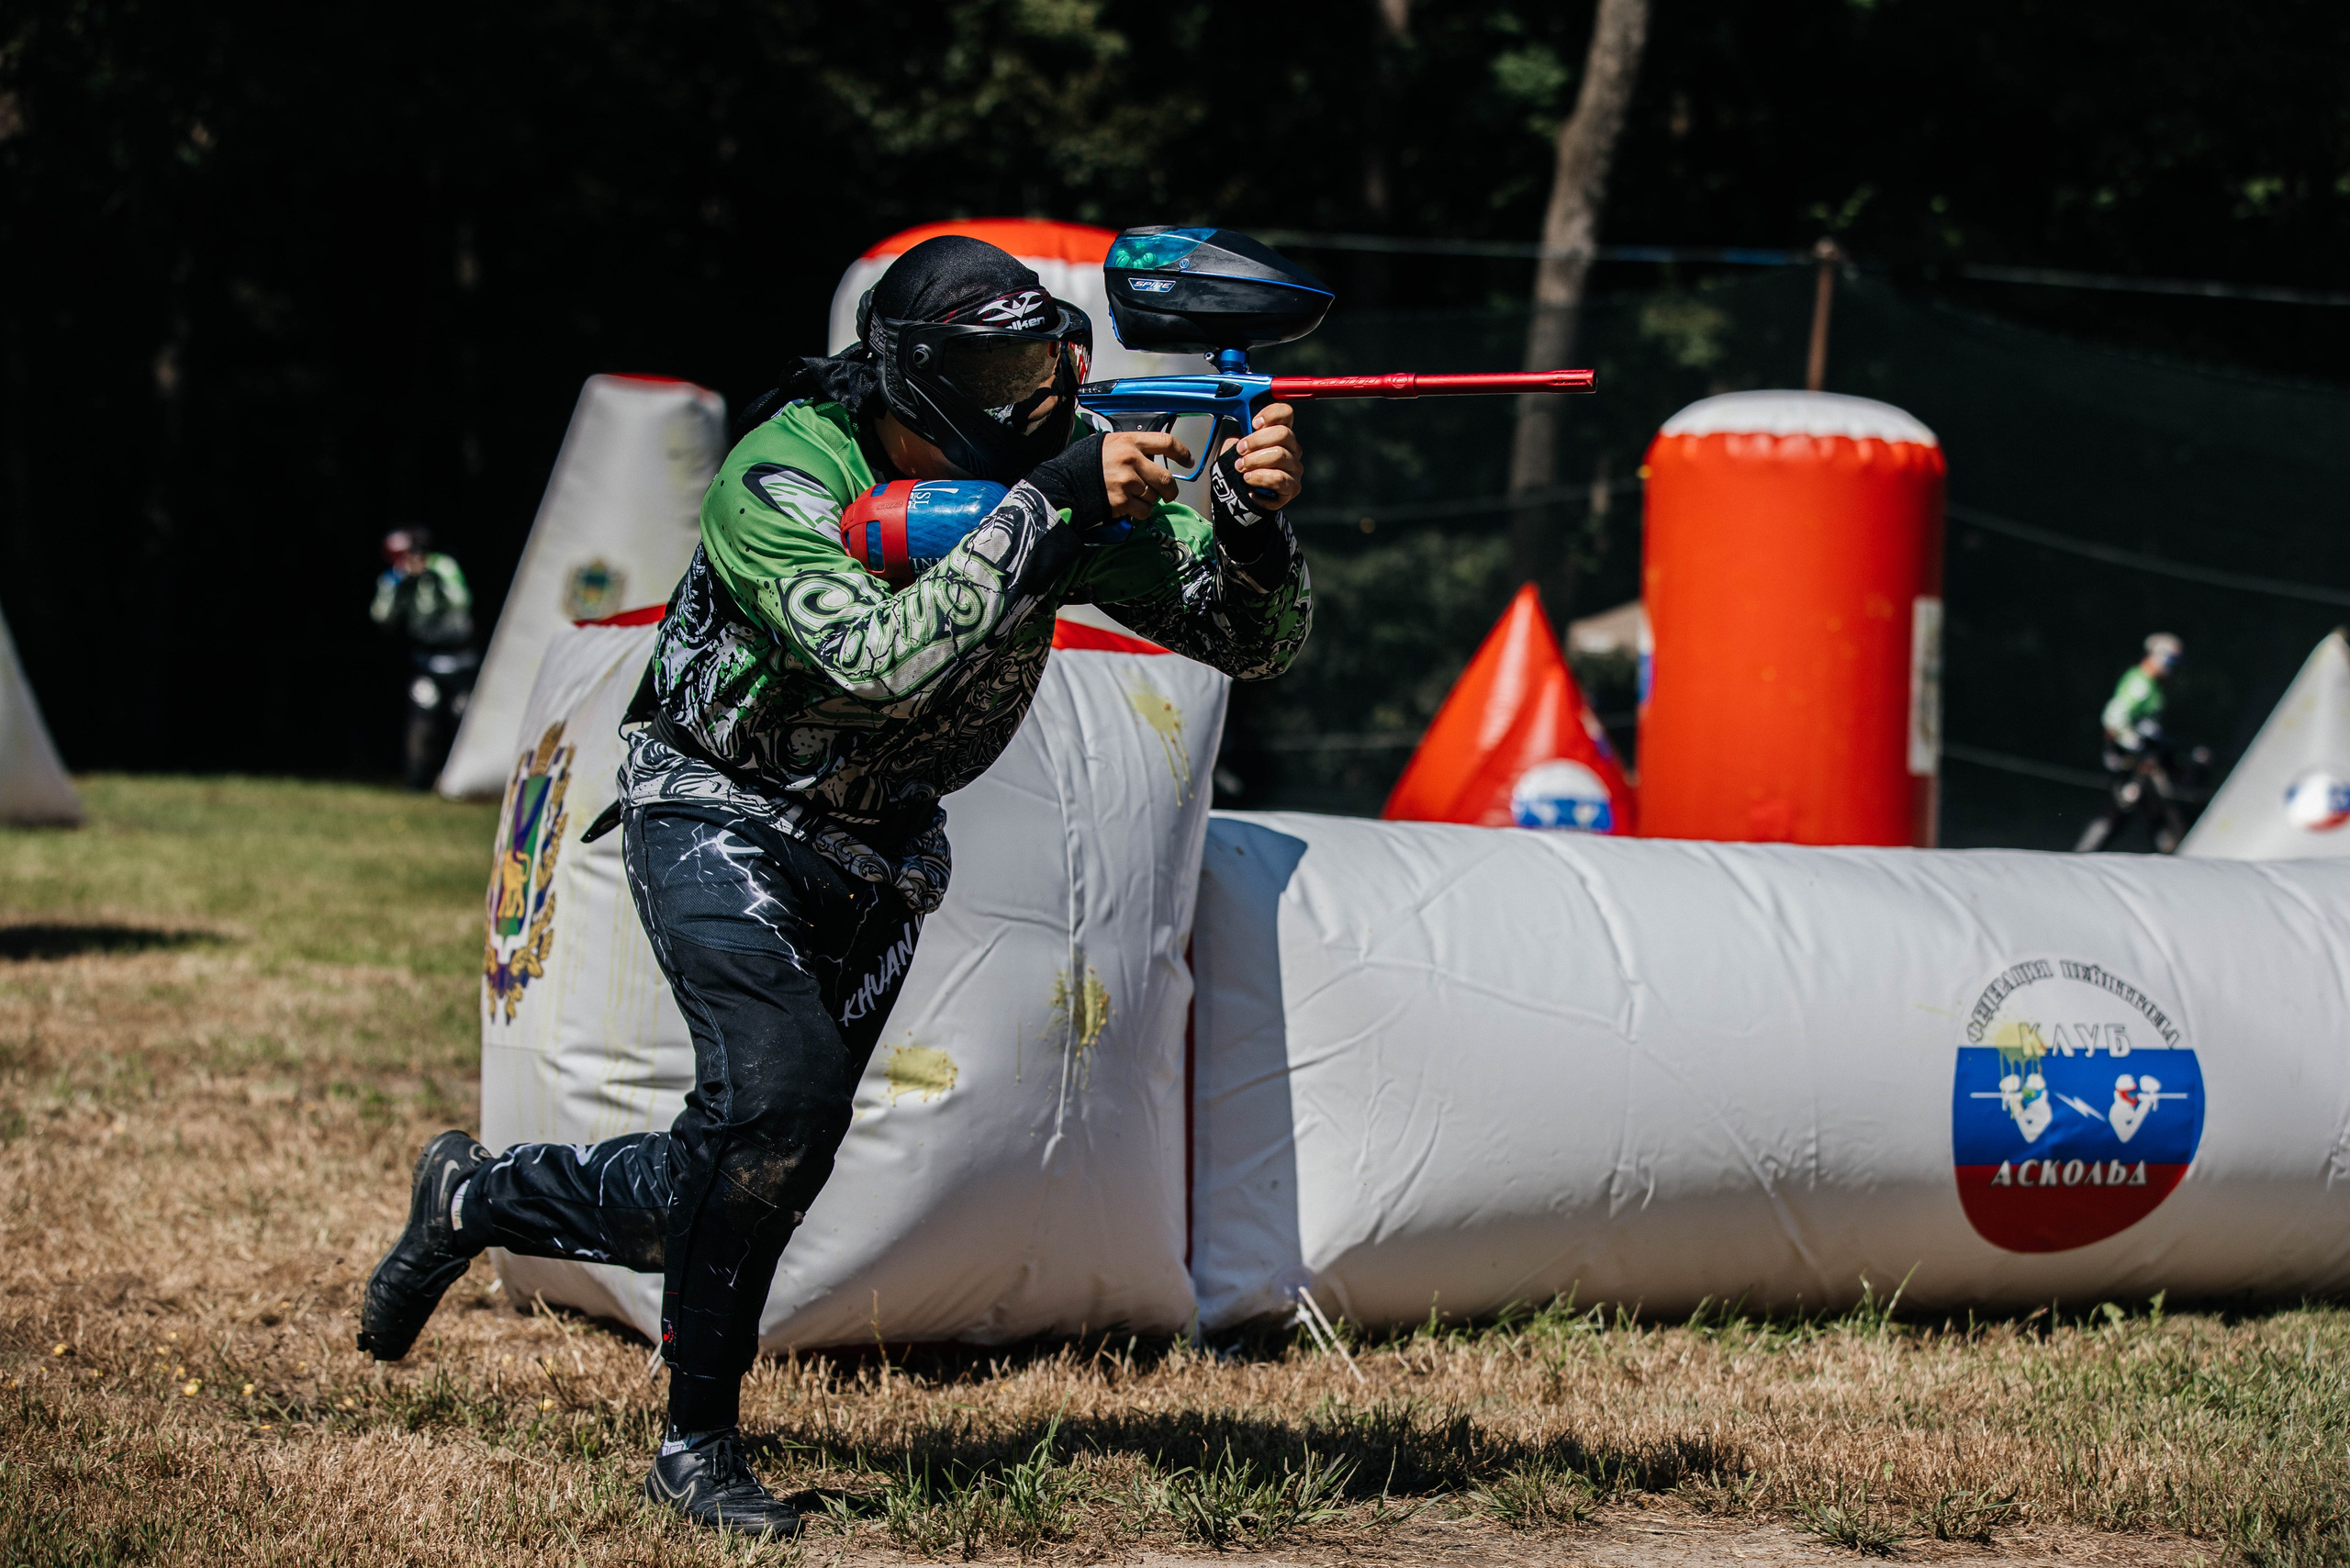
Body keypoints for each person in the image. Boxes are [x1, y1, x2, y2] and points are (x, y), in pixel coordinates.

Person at [353, 237, 1312, 1536]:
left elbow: (1250, 641)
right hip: (717, 807)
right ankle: (695, 1447)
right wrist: (1049, 508)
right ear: (913, 378)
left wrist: (1249, 525)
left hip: (883, 847)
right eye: (1004, 375)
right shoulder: (784, 473)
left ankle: (476, 1196)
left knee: (758, 1163)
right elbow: (872, 654)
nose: (1039, 401)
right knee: (777, 1107)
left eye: (1050, 364)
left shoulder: (1054, 469)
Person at [370, 528, 478, 789]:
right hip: (425, 659)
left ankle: (463, 778)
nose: (407, 562)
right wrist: (398, 585)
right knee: (423, 716)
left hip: (460, 658)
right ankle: (418, 781)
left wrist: (433, 578)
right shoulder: (395, 577)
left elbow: (462, 602)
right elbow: (381, 617)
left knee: (462, 714)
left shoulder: (443, 566)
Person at [2075, 633, 2195, 853]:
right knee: (2125, 809)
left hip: (2143, 761)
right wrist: (2138, 748)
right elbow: (2114, 717)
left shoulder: (2153, 686)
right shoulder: (2141, 684)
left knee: (2151, 811)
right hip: (2132, 761)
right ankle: (2082, 857)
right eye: (2171, 661)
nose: (2173, 669)